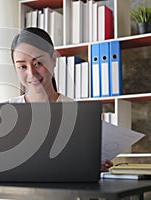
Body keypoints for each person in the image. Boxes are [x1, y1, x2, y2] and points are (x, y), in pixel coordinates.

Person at [9, 27, 113, 171]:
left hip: (65, 192)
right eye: (22, 66)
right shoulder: (8, 112)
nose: (31, 73)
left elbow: (79, 164)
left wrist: (95, 167)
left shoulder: (77, 113)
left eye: (38, 63)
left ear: (53, 60)